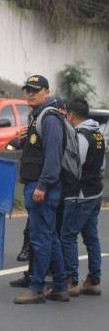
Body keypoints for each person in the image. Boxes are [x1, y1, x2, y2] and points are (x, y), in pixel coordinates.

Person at [14, 75, 69, 304]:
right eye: (28, 89)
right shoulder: (37, 116)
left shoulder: (50, 118)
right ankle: (60, 286)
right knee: (50, 238)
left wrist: (43, 185)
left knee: (41, 240)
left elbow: (53, 158)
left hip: (42, 188)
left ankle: (37, 287)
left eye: (35, 90)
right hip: (37, 185)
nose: (30, 93)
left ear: (47, 91)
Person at [61, 97, 104, 297]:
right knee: (91, 237)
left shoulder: (79, 135)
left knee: (68, 236)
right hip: (96, 191)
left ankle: (72, 280)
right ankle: (94, 280)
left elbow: (75, 165)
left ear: (71, 115)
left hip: (80, 194)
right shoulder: (98, 134)